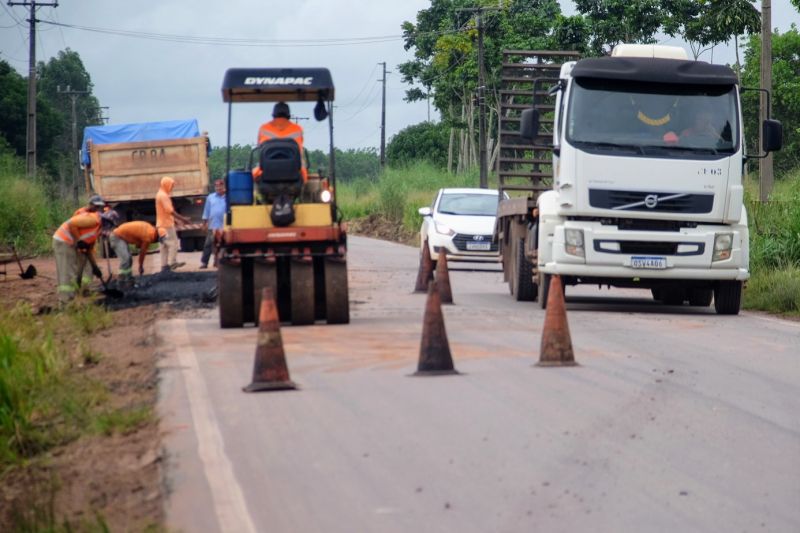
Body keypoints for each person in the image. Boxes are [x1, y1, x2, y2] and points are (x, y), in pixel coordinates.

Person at [52, 204, 105, 304]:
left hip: (70, 243)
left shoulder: (97, 230)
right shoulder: (94, 220)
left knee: (72, 271)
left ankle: (71, 297)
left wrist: (95, 267)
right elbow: (71, 224)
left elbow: (89, 250)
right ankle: (65, 301)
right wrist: (79, 240)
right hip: (63, 241)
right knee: (67, 271)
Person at [251, 101, 308, 182]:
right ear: (288, 115)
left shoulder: (264, 128)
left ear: (274, 114)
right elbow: (300, 151)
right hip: (293, 172)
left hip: (267, 172)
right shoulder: (297, 129)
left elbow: (260, 150)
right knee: (303, 171)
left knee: (251, 175)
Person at [156, 176, 191, 272]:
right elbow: (170, 211)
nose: (172, 187)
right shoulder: (164, 196)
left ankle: (164, 266)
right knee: (173, 243)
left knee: (164, 246)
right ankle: (172, 262)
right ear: (166, 184)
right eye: (171, 185)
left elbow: (165, 212)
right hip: (166, 225)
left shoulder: (159, 194)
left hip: (160, 225)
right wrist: (183, 219)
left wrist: (176, 221)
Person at [200, 178, 226, 269]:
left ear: (224, 186)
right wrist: (204, 223)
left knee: (222, 245)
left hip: (225, 226)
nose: (218, 188)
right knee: (208, 244)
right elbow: (206, 211)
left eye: (220, 186)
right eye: (216, 186)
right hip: (213, 225)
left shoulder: (228, 197)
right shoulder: (210, 197)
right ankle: (204, 263)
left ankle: (218, 262)